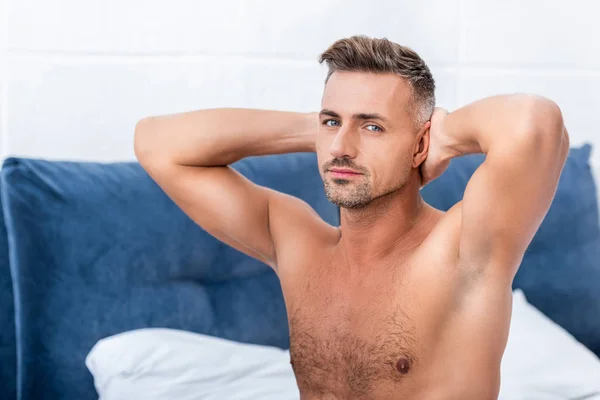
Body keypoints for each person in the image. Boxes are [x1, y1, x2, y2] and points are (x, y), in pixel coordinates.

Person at [133, 35, 569, 400]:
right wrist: (319, 128)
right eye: (331, 121)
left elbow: (534, 124)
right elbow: (156, 143)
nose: (342, 147)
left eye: (372, 127)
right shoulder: (297, 245)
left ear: (419, 145)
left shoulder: (462, 251)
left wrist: (445, 135)